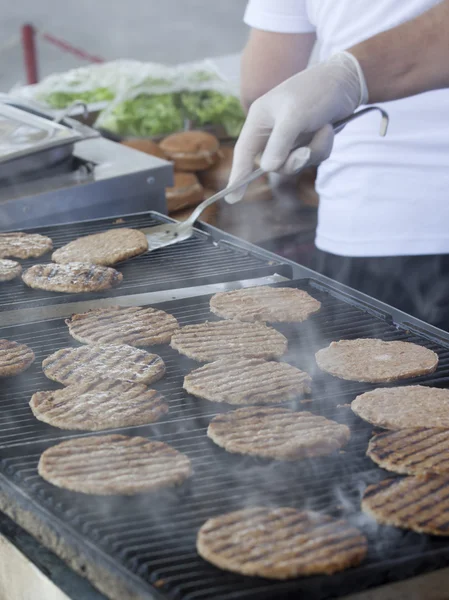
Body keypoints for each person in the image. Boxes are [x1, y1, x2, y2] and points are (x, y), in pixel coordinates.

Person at [228, 0, 449, 330]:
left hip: (368, 216)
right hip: (379, 223)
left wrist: (349, 75)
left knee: (361, 373)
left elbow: (264, 86)